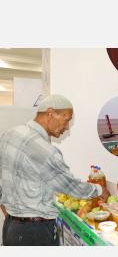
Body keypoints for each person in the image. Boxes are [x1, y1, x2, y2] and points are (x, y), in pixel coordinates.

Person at [0, 94, 109, 246]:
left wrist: (8, 209)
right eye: (66, 120)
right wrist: (99, 190)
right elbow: (69, 185)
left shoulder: (9, 134)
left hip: (11, 228)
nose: (66, 127)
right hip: (34, 233)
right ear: (50, 113)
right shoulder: (45, 150)